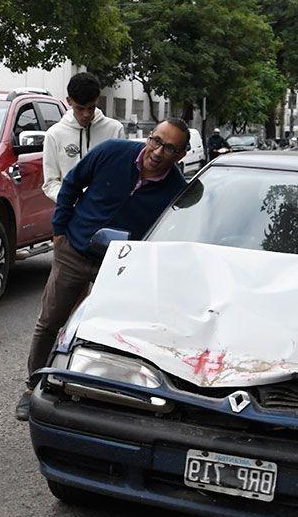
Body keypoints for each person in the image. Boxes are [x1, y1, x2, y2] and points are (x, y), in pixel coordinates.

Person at [17, 119, 190, 420]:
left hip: (120, 267)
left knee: (106, 333)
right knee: (51, 321)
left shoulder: (177, 190)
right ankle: (34, 385)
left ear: (182, 154)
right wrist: (60, 232)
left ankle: (93, 391)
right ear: (149, 138)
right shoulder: (113, 152)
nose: (159, 152)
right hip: (75, 249)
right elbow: (70, 184)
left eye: (170, 148)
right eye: (156, 141)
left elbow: (172, 232)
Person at [42, 73, 125, 201]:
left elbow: (121, 175)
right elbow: (50, 182)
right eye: (80, 108)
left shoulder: (115, 129)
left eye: (91, 107)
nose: (86, 114)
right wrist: (70, 199)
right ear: (69, 101)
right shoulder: (54, 134)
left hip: (106, 212)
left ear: (97, 99)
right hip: (72, 213)